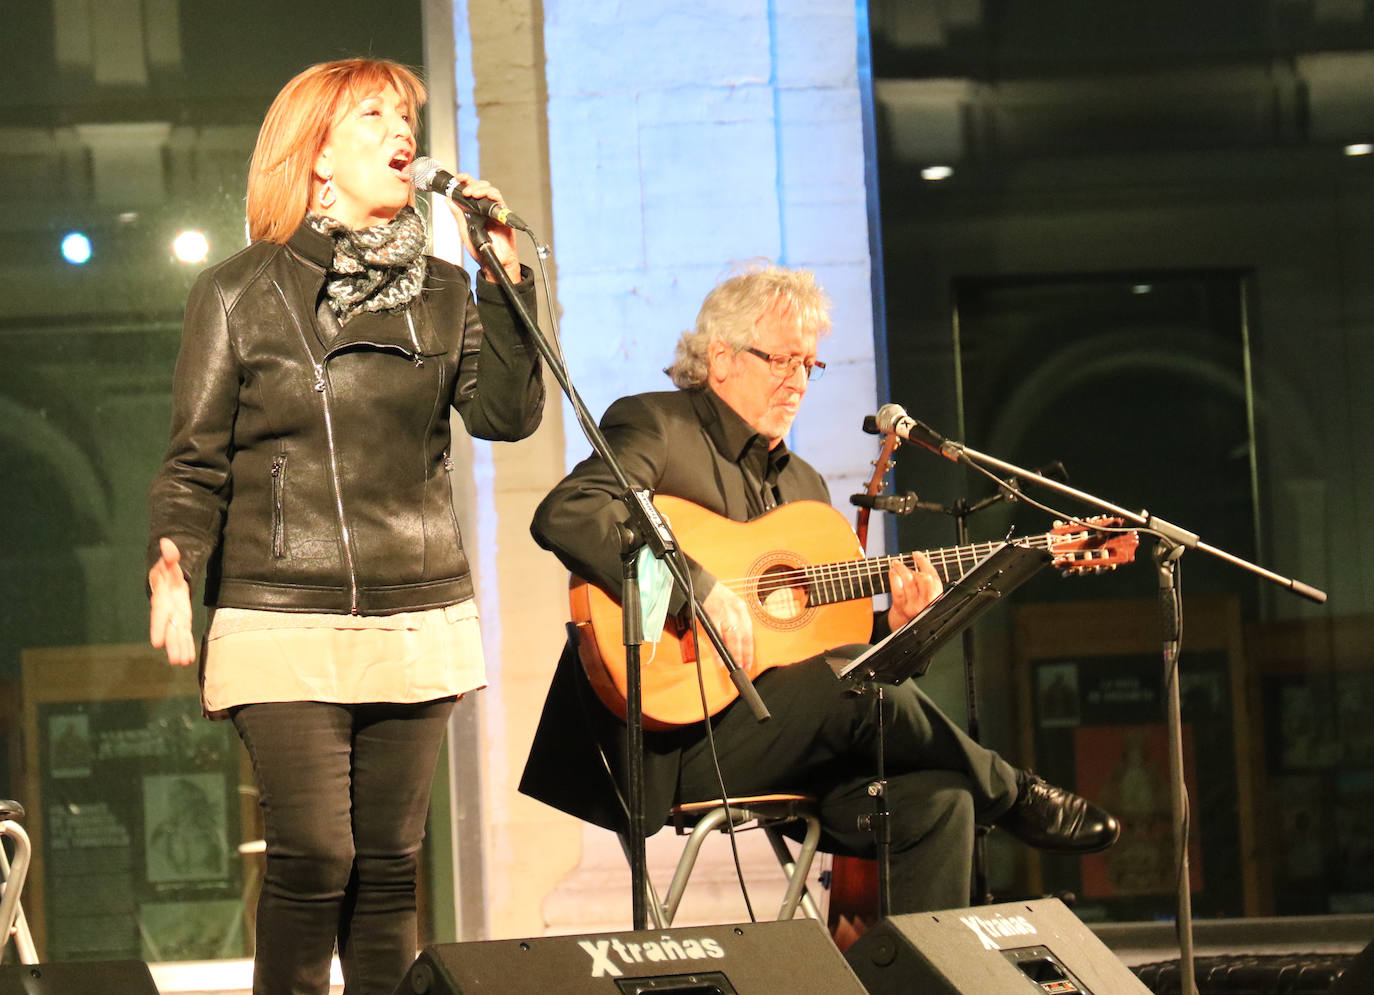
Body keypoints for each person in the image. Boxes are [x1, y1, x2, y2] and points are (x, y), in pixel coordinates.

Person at [519, 264, 1118, 914]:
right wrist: (695, 587)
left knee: (942, 804)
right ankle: (1018, 794)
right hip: (680, 740)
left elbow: (832, 656)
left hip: (798, 747)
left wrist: (901, 633)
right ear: (720, 358)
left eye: (810, 364)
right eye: (781, 359)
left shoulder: (804, 487)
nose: (798, 380)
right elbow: (569, 512)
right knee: (851, 686)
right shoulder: (659, 427)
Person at [146, 58, 543, 994]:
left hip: (416, 603)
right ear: (317, 157)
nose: (400, 132)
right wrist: (172, 561)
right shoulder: (239, 292)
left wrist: (506, 277)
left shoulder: (448, 290)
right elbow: (195, 460)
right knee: (315, 854)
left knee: (389, 867)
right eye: (371, 117)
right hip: (279, 605)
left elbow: (506, 416)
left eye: (404, 116)